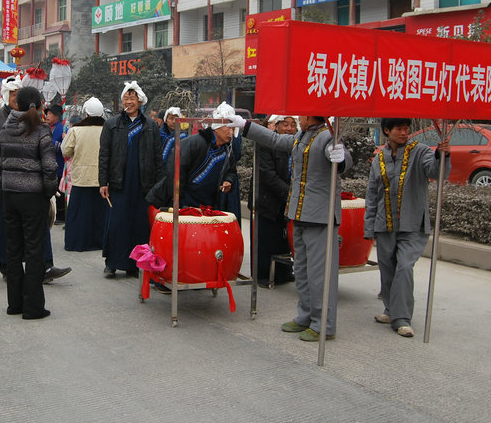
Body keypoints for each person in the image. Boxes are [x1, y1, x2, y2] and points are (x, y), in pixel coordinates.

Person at [228, 114, 351, 342]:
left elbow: (343, 162)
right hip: (300, 213)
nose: (297, 120)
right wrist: (245, 126)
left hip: (320, 217)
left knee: (320, 276)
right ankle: (305, 316)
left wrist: (341, 157)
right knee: (303, 272)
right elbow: (274, 140)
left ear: (312, 117)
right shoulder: (302, 137)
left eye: (301, 116)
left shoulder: (328, 137)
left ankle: (324, 323)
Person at [0, 75, 70, 282]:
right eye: (11, 94)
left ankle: (45, 266)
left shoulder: (37, 122)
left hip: (33, 187)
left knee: (39, 228)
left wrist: (47, 188)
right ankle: (7, 266)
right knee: (7, 230)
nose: (15, 97)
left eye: (18, 93)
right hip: (6, 185)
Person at [365, 118, 450, 338]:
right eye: (399, 129)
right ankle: (390, 309)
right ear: (387, 131)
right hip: (385, 223)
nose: (404, 133)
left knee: (404, 267)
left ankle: (402, 318)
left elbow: (435, 171)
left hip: (412, 223)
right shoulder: (380, 157)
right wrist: (369, 226)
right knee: (388, 268)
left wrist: (443, 155)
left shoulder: (420, 151)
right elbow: (373, 193)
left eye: (406, 129)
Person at [0, 86, 58, 320]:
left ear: (17, 104)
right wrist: (48, 192)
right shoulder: (41, 129)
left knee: (13, 250)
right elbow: (50, 166)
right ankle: (33, 307)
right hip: (33, 196)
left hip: (9, 195)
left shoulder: (5, 128)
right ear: (39, 104)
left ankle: (15, 304)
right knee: (34, 250)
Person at [98, 81, 163, 278]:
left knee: (138, 224)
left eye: (132, 98)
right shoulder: (112, 124)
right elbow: (104, 154)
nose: (129, 102)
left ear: (140, 101)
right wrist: (103, 181)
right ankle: (112, 262)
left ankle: (135, 264)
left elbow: (157, 157)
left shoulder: (150, 126)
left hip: (143, 183)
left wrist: (159, 185)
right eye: (126, 98)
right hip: (119, 182)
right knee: (117, 222)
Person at [149, 102, 238, 212]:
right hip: (185, 202)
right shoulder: (195, 143)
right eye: (228, 128)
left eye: (233, 129)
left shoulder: (227, 151)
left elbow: (231, 171)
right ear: (217, 126)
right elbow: (176, 166)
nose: (231, 132)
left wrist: (228, 180)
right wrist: (178, 197)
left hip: (209, 205)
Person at [249, 114, 294, 286]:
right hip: (267, 200)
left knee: (283, 240)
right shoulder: (266, 144)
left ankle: (283, 273)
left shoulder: (295, 145)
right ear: (276, 126)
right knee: (265, 240)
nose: (289, 128)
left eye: (292, 125)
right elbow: (268, 175)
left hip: (285, 200)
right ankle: (262, 276)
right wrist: (289, 193)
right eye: (285, 124)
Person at [60, 97, 106, 251]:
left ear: (86, 113)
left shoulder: (75, 130)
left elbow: (65, 150)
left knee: (79, 214)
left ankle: (78, 243)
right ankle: (100, 242)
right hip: (102, 179)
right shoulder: (107, 129)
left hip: (81, 178)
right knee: (100, 214)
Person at [44, 104, 67, 224]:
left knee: (60, 193)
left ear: (57, 116)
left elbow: (65, 148)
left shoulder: (62, 128)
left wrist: (49, 142)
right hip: (48, 165)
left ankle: (62, 216)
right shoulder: (46, 127)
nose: (47, 116)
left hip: (59, 165)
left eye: (50, 114)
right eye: (47, 113)